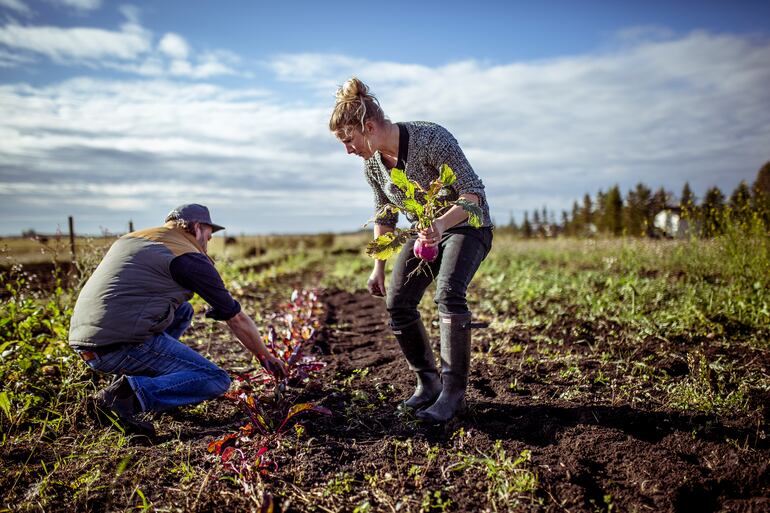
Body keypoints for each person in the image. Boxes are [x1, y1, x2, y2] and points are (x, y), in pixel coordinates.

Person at [329, 77, 493, 422]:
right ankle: (428, 384)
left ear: (369, 126)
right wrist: (378, 266)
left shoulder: (431, 138)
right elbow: (385, 213)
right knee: (398, 303)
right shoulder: (373, 164)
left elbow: (473, 194)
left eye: (349, 140)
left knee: (448, 293)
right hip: (424, 235)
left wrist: (440, 225)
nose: (348, 150)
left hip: (467, 226)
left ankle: (452, 394)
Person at [69, 203, 286, 435]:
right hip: (116, 347)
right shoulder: (188, 257)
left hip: (85, 338)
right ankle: (121, 398)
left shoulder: (136, 238)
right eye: (208, 236)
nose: (207, 243)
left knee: (184, 310)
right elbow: (237, 319)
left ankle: (139, 382)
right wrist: (265, 356)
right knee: (215, 379)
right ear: (197, 227)